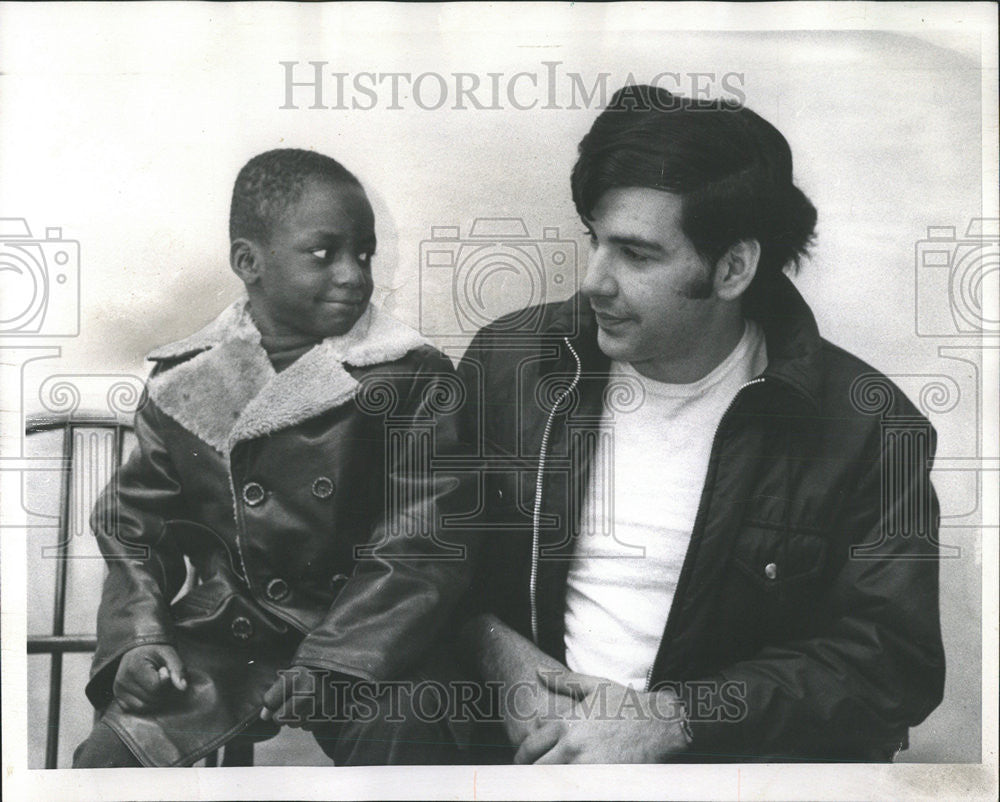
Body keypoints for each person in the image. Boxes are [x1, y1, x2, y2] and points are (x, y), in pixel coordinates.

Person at [457, 85, 945, 763]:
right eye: (595, 240)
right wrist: (496, 653)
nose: (594, 280)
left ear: (734, 267)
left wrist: (673, 721)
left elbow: (892, 661)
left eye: (637, 254)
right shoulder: (509, 364)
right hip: (534, 766)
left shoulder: (866, 426)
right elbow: (414, 565)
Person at [74, 148, 472, 767]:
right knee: (111, 758)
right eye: (325, 253)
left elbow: (419, 542)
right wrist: (139, 638)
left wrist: (334, 661)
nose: (354, 274)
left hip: (369, 632)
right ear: (248, 262)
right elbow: (131, 528)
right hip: (231, 634)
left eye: (363, 253)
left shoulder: (410, 375)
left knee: (405, 737)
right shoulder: (184, 382)